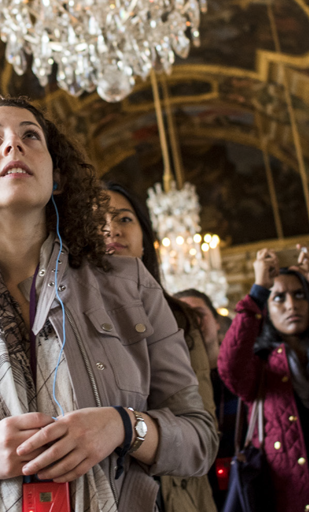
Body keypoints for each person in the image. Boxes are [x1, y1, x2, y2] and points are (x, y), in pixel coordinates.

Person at [0, 94, 218, 512]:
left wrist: (124, 426)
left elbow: (200, 441)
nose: (13, 144)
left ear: (56, 176)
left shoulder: (130, 286)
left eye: (30, 135)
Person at [104, 182, 218, 512]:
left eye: (124, 219)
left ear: (145, 241)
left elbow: (201, 429)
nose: (112, 229)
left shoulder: (179, 318)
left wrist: (128, 429)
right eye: (97, 221)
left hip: (177, 490)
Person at [217, 247, 309, 510]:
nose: (291, 305)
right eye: (279, 297)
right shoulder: (260, 366)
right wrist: (258, 291)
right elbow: (229, 366)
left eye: (300, 295)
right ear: (266, 309)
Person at [174, 289, 237, 509]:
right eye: (182, 314)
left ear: (217, 322)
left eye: (199, 313)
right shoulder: (174, 388)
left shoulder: (240, 374)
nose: (192, 320)